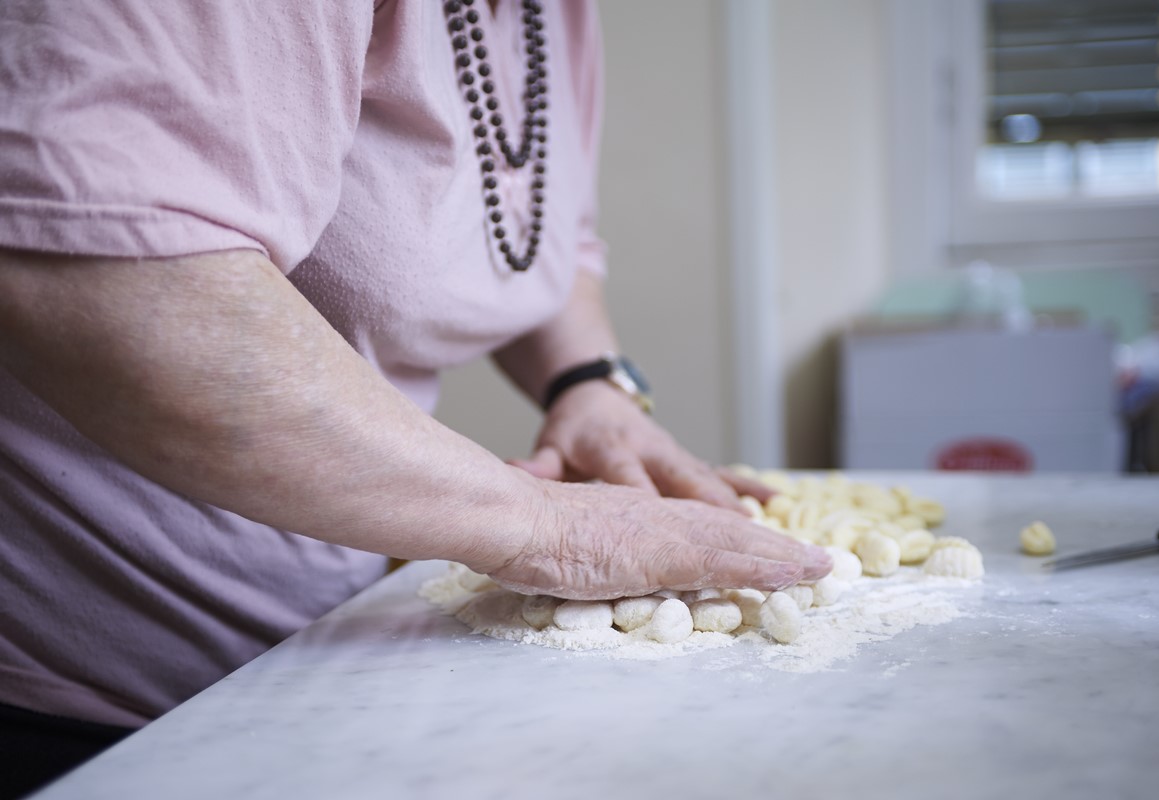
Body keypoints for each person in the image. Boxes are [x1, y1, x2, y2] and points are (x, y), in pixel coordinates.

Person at [0, 1, 830, 795]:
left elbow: (545, 234)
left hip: (322, 641)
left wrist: (589, 382)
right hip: (84, 691)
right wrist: (549, 526)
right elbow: (122, 284)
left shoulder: (555, 13)